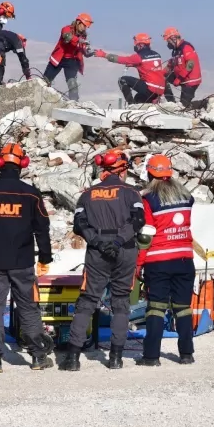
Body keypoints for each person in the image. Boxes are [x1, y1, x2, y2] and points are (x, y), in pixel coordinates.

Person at [0, 143, 55, 373]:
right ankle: (38, 357)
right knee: (28, 309)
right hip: (22, 263)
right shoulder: (30, 194)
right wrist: (45, 258)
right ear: (23, 164)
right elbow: (42, 229)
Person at [60, 149, 145, 372]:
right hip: (124, 249)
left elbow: (79, 224)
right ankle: (115, 358)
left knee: (87, 301)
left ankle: (72, 358)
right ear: (122, 170)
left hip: (96, 252)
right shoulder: (131, 192)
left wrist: (98, 241)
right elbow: (138, 221)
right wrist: (117, 241)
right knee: (121, 302)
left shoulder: (87, 194)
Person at [136, 155, 196, 366]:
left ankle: (151, 356)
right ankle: (186, 354)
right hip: (185, 259)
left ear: (149, 173)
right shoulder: (186, 196)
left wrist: (138, 264)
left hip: (158, 260)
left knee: (156, 308)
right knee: (183, 307)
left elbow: (146, 235)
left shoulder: (148, 199)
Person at [99, 34, 167, 104]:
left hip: (150, 89)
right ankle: (151, 104)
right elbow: (148, 66)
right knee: (138, 98)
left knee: (122, 80)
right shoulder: (157, 55)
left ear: (141, 45)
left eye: (136, 45)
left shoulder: (138, 57)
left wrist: (104, 55)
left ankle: (131, 104)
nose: (135, 46)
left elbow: (120, 59)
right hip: (160, 90)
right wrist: (134, 65)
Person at [44, 14, 95, 101]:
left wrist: (87, 52)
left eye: (86, 27)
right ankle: (41, 100)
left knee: (73, 84)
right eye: (84, 25)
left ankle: (74, 104)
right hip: (58, 59)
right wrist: (80, 40)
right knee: (45, 82)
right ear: (78, 22)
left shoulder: (83, 36)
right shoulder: (66, 29)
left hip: (71, 61)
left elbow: (82, 48)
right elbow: (67, 36)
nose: (84, 28)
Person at [160, 27, 202, 107]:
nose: (168, 44)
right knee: (162, 78)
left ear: (173, 38)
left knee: (183, 106)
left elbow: (190, 64)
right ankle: (171, 102)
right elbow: (170, 65)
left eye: (168, 41)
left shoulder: (186, 47)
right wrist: (160, 74)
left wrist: (179, 78)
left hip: (190, 81)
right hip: (182, 78)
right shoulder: (176, 51)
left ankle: (201, 105)